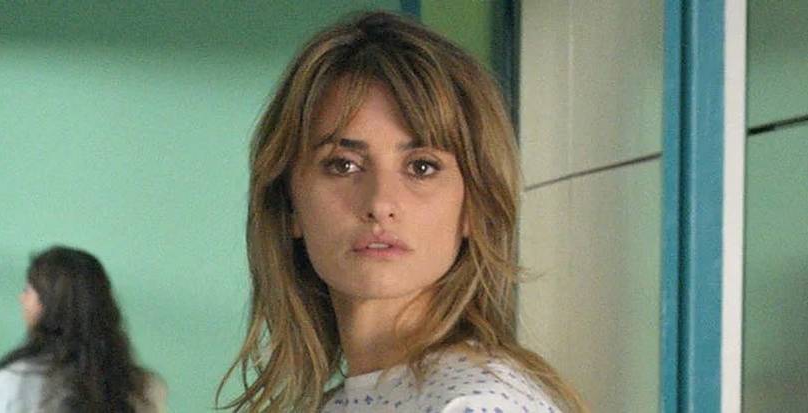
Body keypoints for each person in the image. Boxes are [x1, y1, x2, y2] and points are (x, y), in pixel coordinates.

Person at [219, 11, 585, 413]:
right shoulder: (344, 402)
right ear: (290, 204)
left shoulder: (472, 404)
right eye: (343, 165)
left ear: (473, 206)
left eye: (421, 167)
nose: (380, 204)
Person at [0, 246, 167, 412]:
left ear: (47, 303)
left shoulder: (10, 384)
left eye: (28, 290)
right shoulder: (145, 388)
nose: (22, 298)